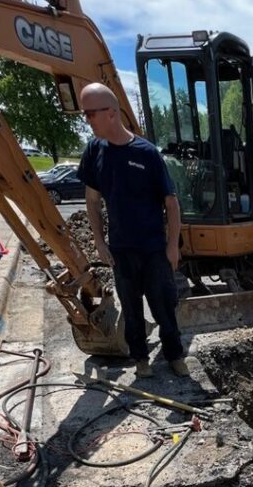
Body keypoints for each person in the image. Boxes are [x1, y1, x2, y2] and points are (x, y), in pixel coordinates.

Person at [77, 82, 186, 378]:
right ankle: (141, 360)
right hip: (121, 250)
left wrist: (172, 245)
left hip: (153, 248)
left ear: (111, 113)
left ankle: (175, 355)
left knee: (164, 304)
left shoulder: (147, 153)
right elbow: (92, 200)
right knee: (132, 308)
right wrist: (99, 241)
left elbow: (171, 203)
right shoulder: (95, 152)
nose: (86, 120)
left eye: (90, 114)